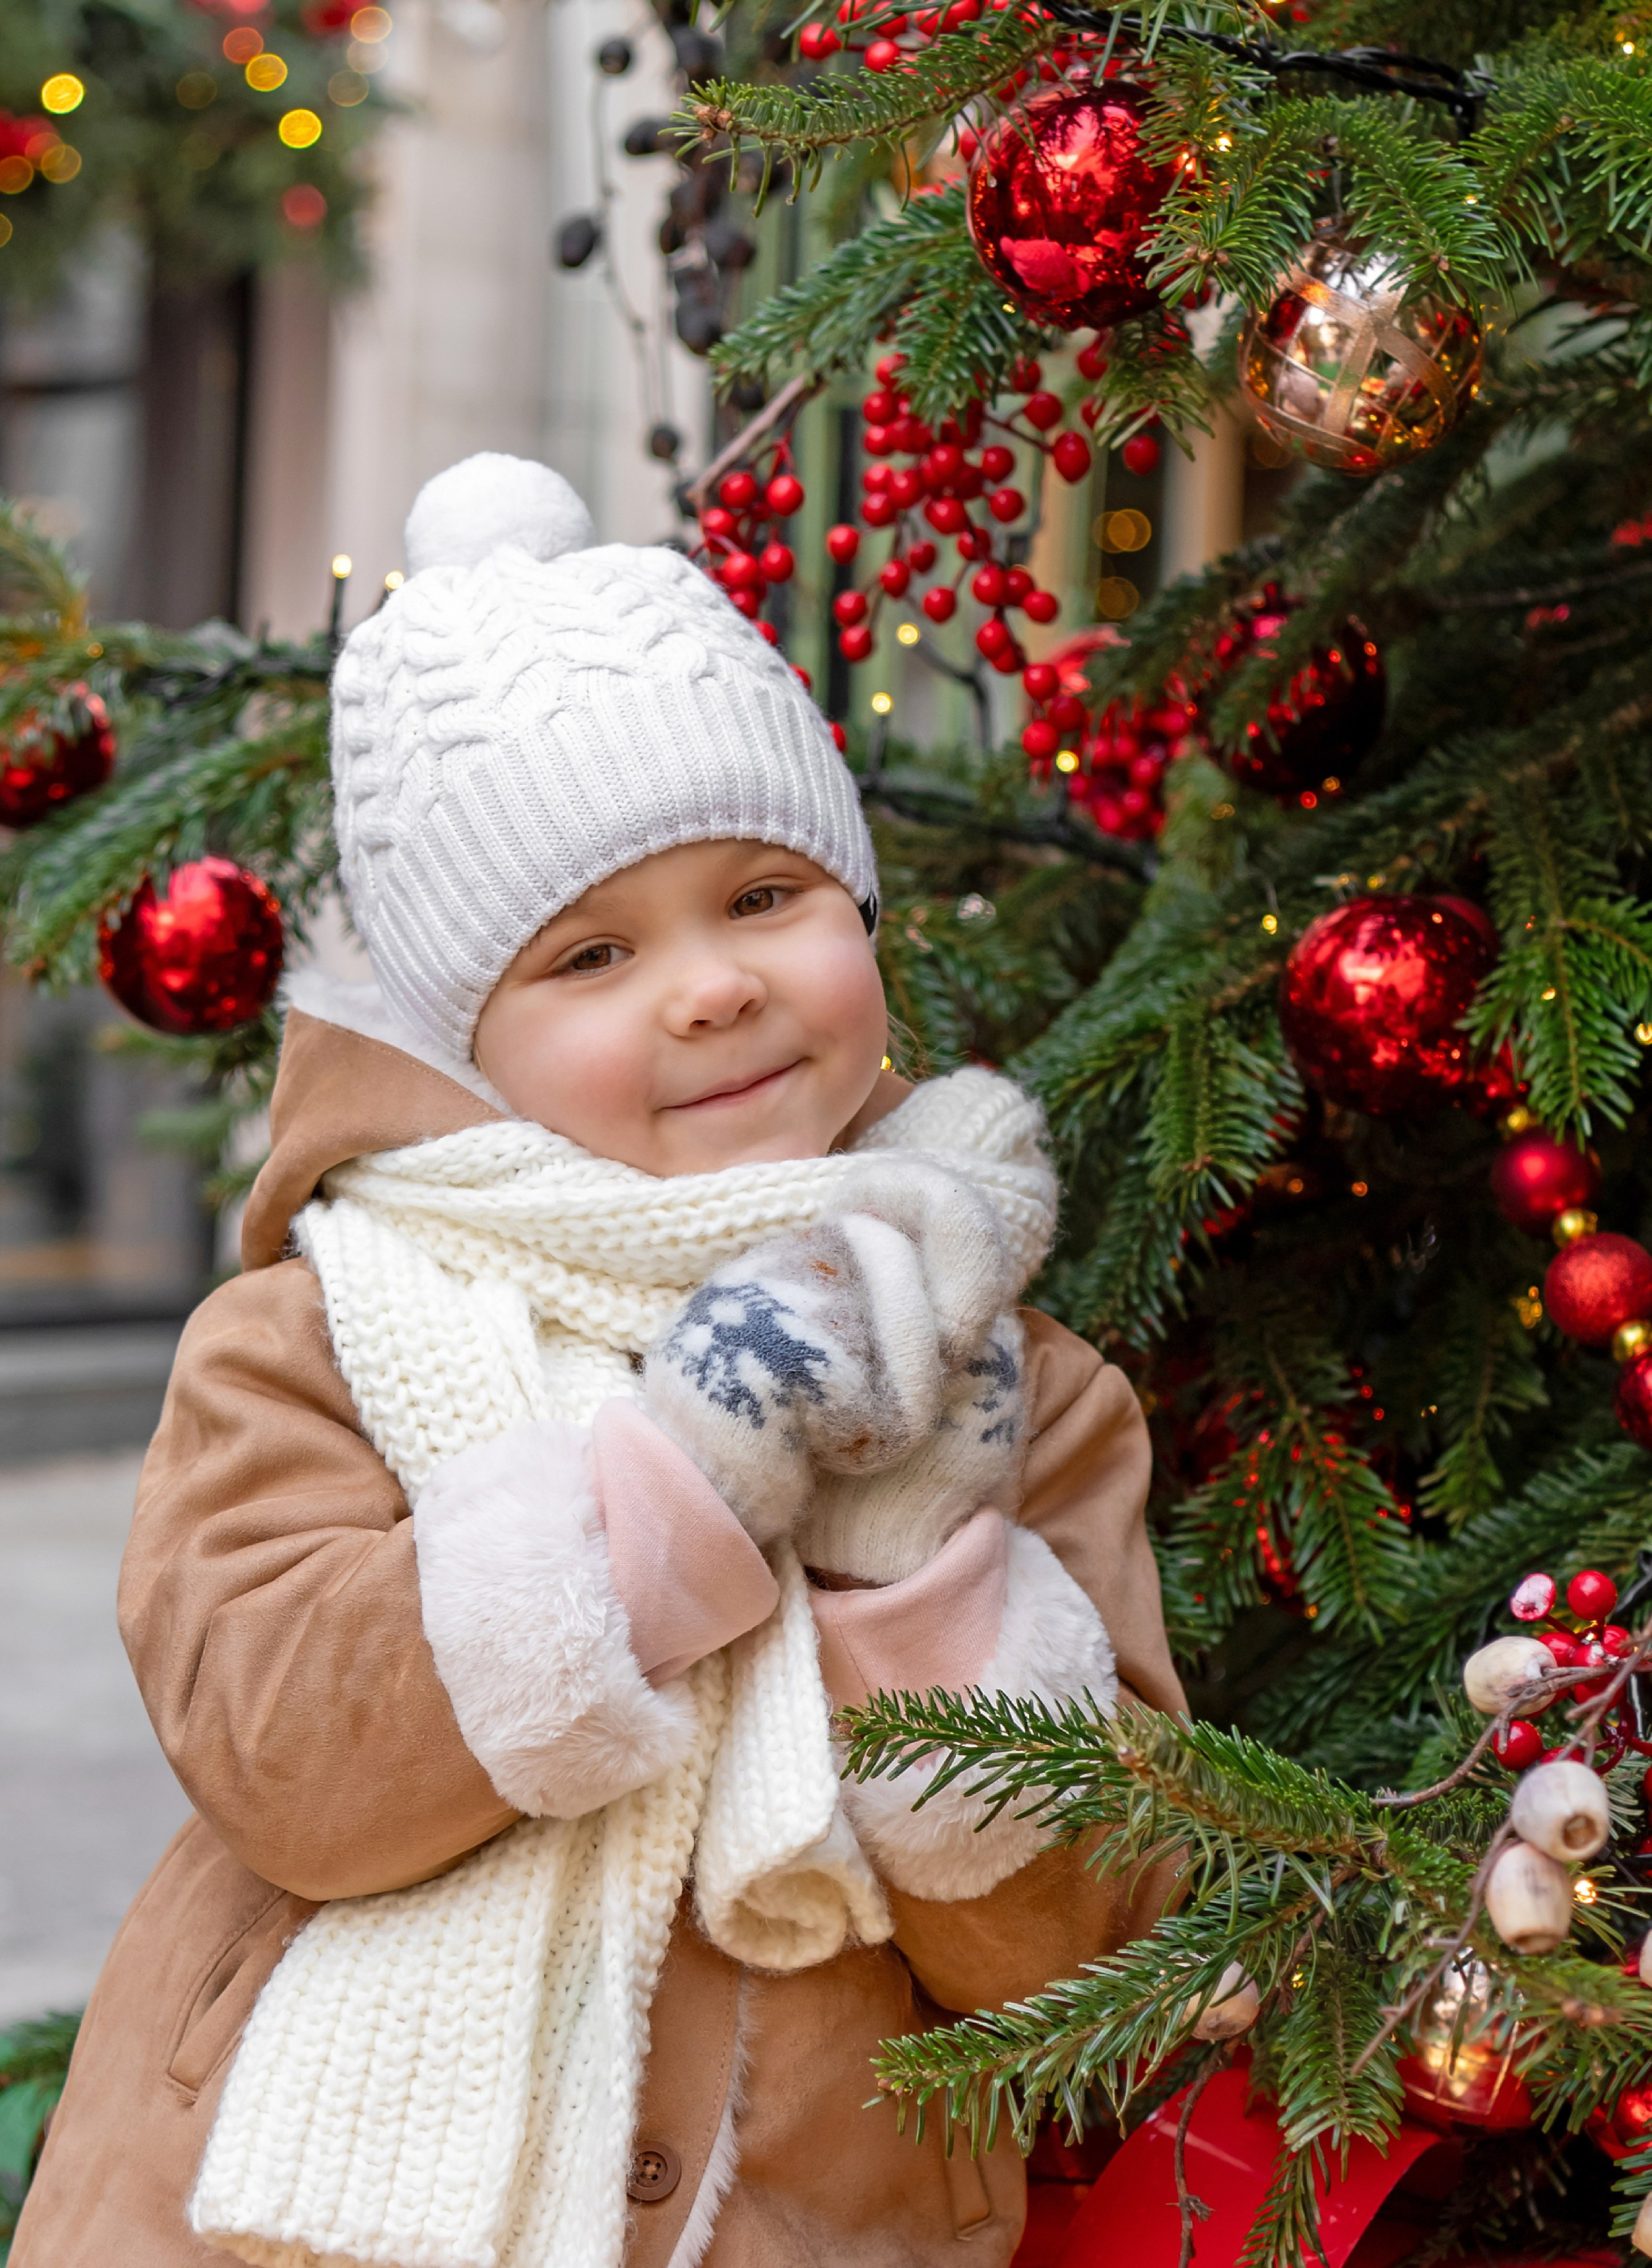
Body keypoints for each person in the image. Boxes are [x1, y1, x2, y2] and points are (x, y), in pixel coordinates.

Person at [14, 453, 1185, 2268]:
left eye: (767, 891)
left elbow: (1087, 1954)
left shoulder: (1009, 1372)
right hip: (259, 2214)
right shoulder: (322, 1323)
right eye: (594, 951)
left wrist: (921, 1576)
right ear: (464, 1041)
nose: (710, 985)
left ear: (859, 911)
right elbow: (280, 1754)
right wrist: (677, 1487)